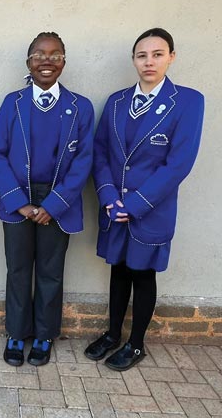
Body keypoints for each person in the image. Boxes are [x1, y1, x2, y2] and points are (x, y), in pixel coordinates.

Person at [85, 28, 204, 371]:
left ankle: (136, 344)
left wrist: (134, 205)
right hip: (115, 207)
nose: (149, 62)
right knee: (118, 271)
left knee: (143, 274)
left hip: (151, 210)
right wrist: (109, 196)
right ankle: (112, 334)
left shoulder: (188, 102)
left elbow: (178, 164)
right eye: (142, 55)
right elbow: (100, 152)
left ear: (171, 57)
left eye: (157, 54)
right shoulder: (117, 101)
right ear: (134, 60)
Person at [0, 32, 94, 366]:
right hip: (18, 198)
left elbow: (83, 162)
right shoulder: (13, 103)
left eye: (55, 54)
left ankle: (44, 335)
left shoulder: (80, 107)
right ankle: (16, 332)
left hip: (58, 199)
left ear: (63, 61)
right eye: (39, 54)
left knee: (51, 271)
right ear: (28, 62)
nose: (46, 60)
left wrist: (53, 205)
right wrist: (19, 202)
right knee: (18, 269)